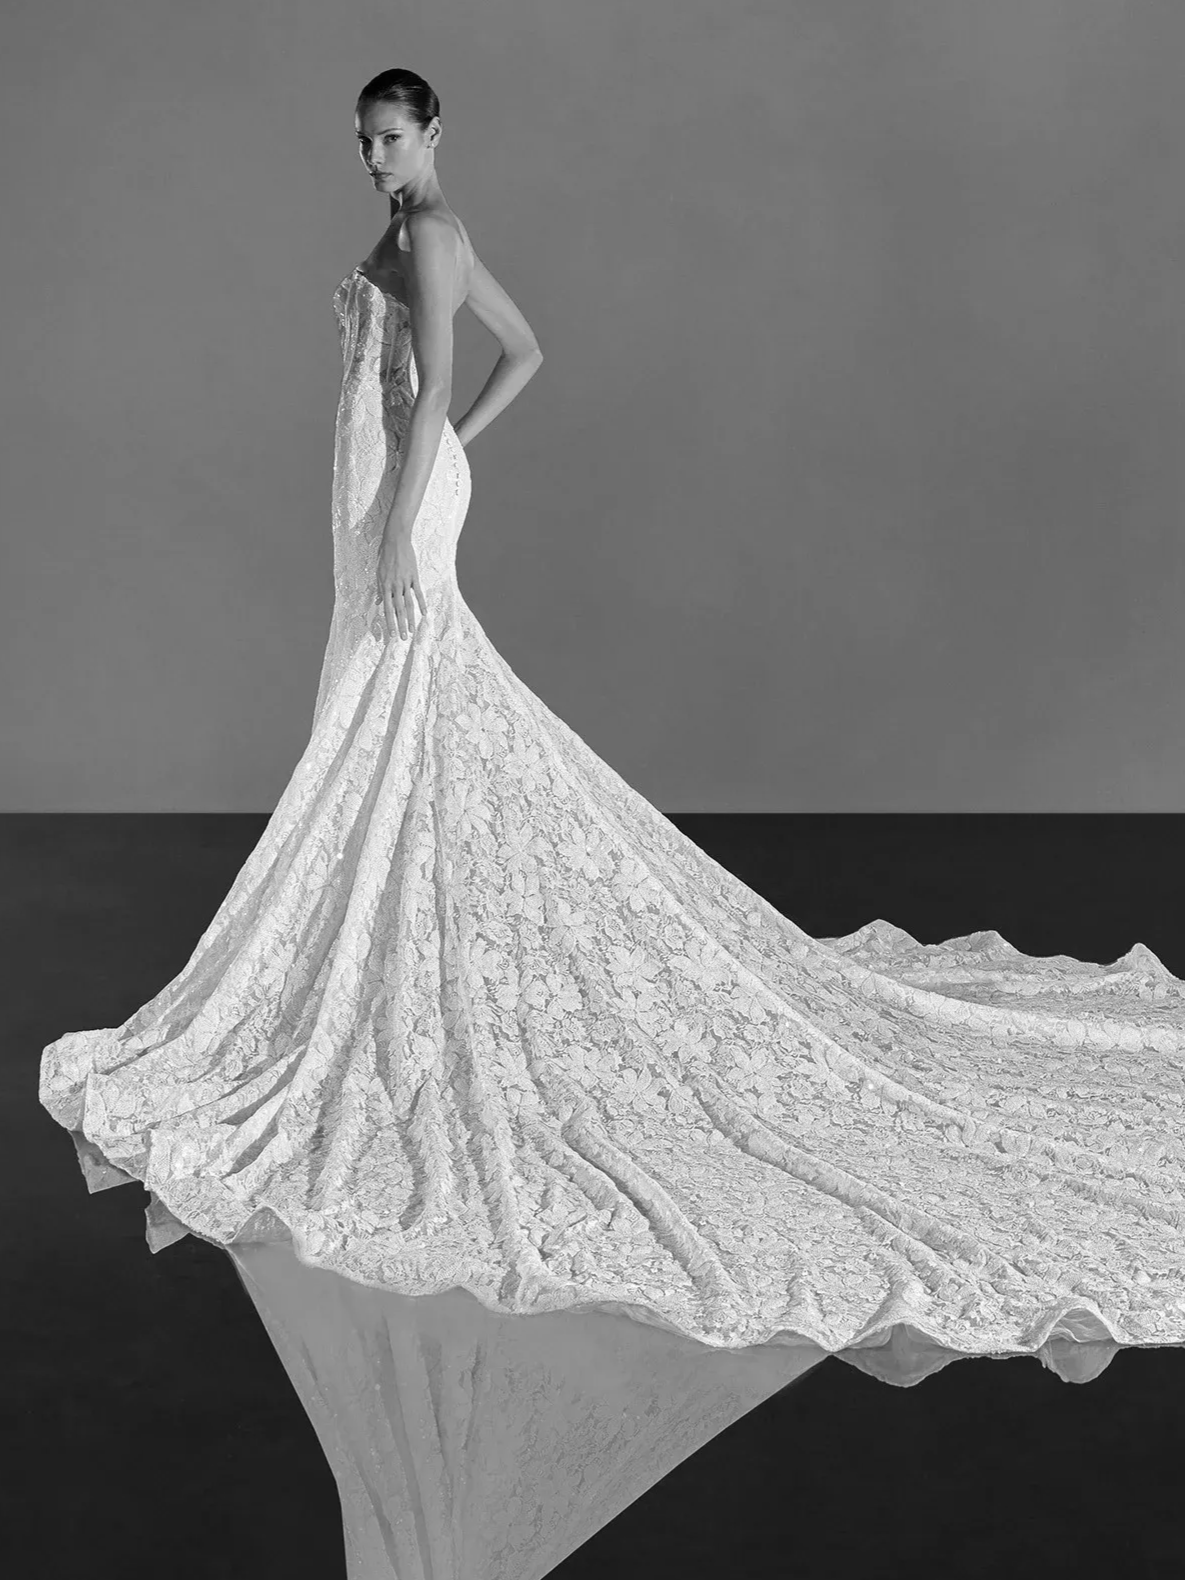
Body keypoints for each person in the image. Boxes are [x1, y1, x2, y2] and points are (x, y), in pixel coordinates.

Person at [39, 67, 1185, 1579]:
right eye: (364, 143)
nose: (377, 158)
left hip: (398, 513)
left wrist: (411, 505)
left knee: (403, 712)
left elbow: (464, 369)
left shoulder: (431, 234)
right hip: (398, 497)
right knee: (393, 723)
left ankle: (378, 953)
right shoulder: (425, 233)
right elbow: (522, 356)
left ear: (433, 135)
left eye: (393, 137)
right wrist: (429, 455)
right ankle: (386, 939)